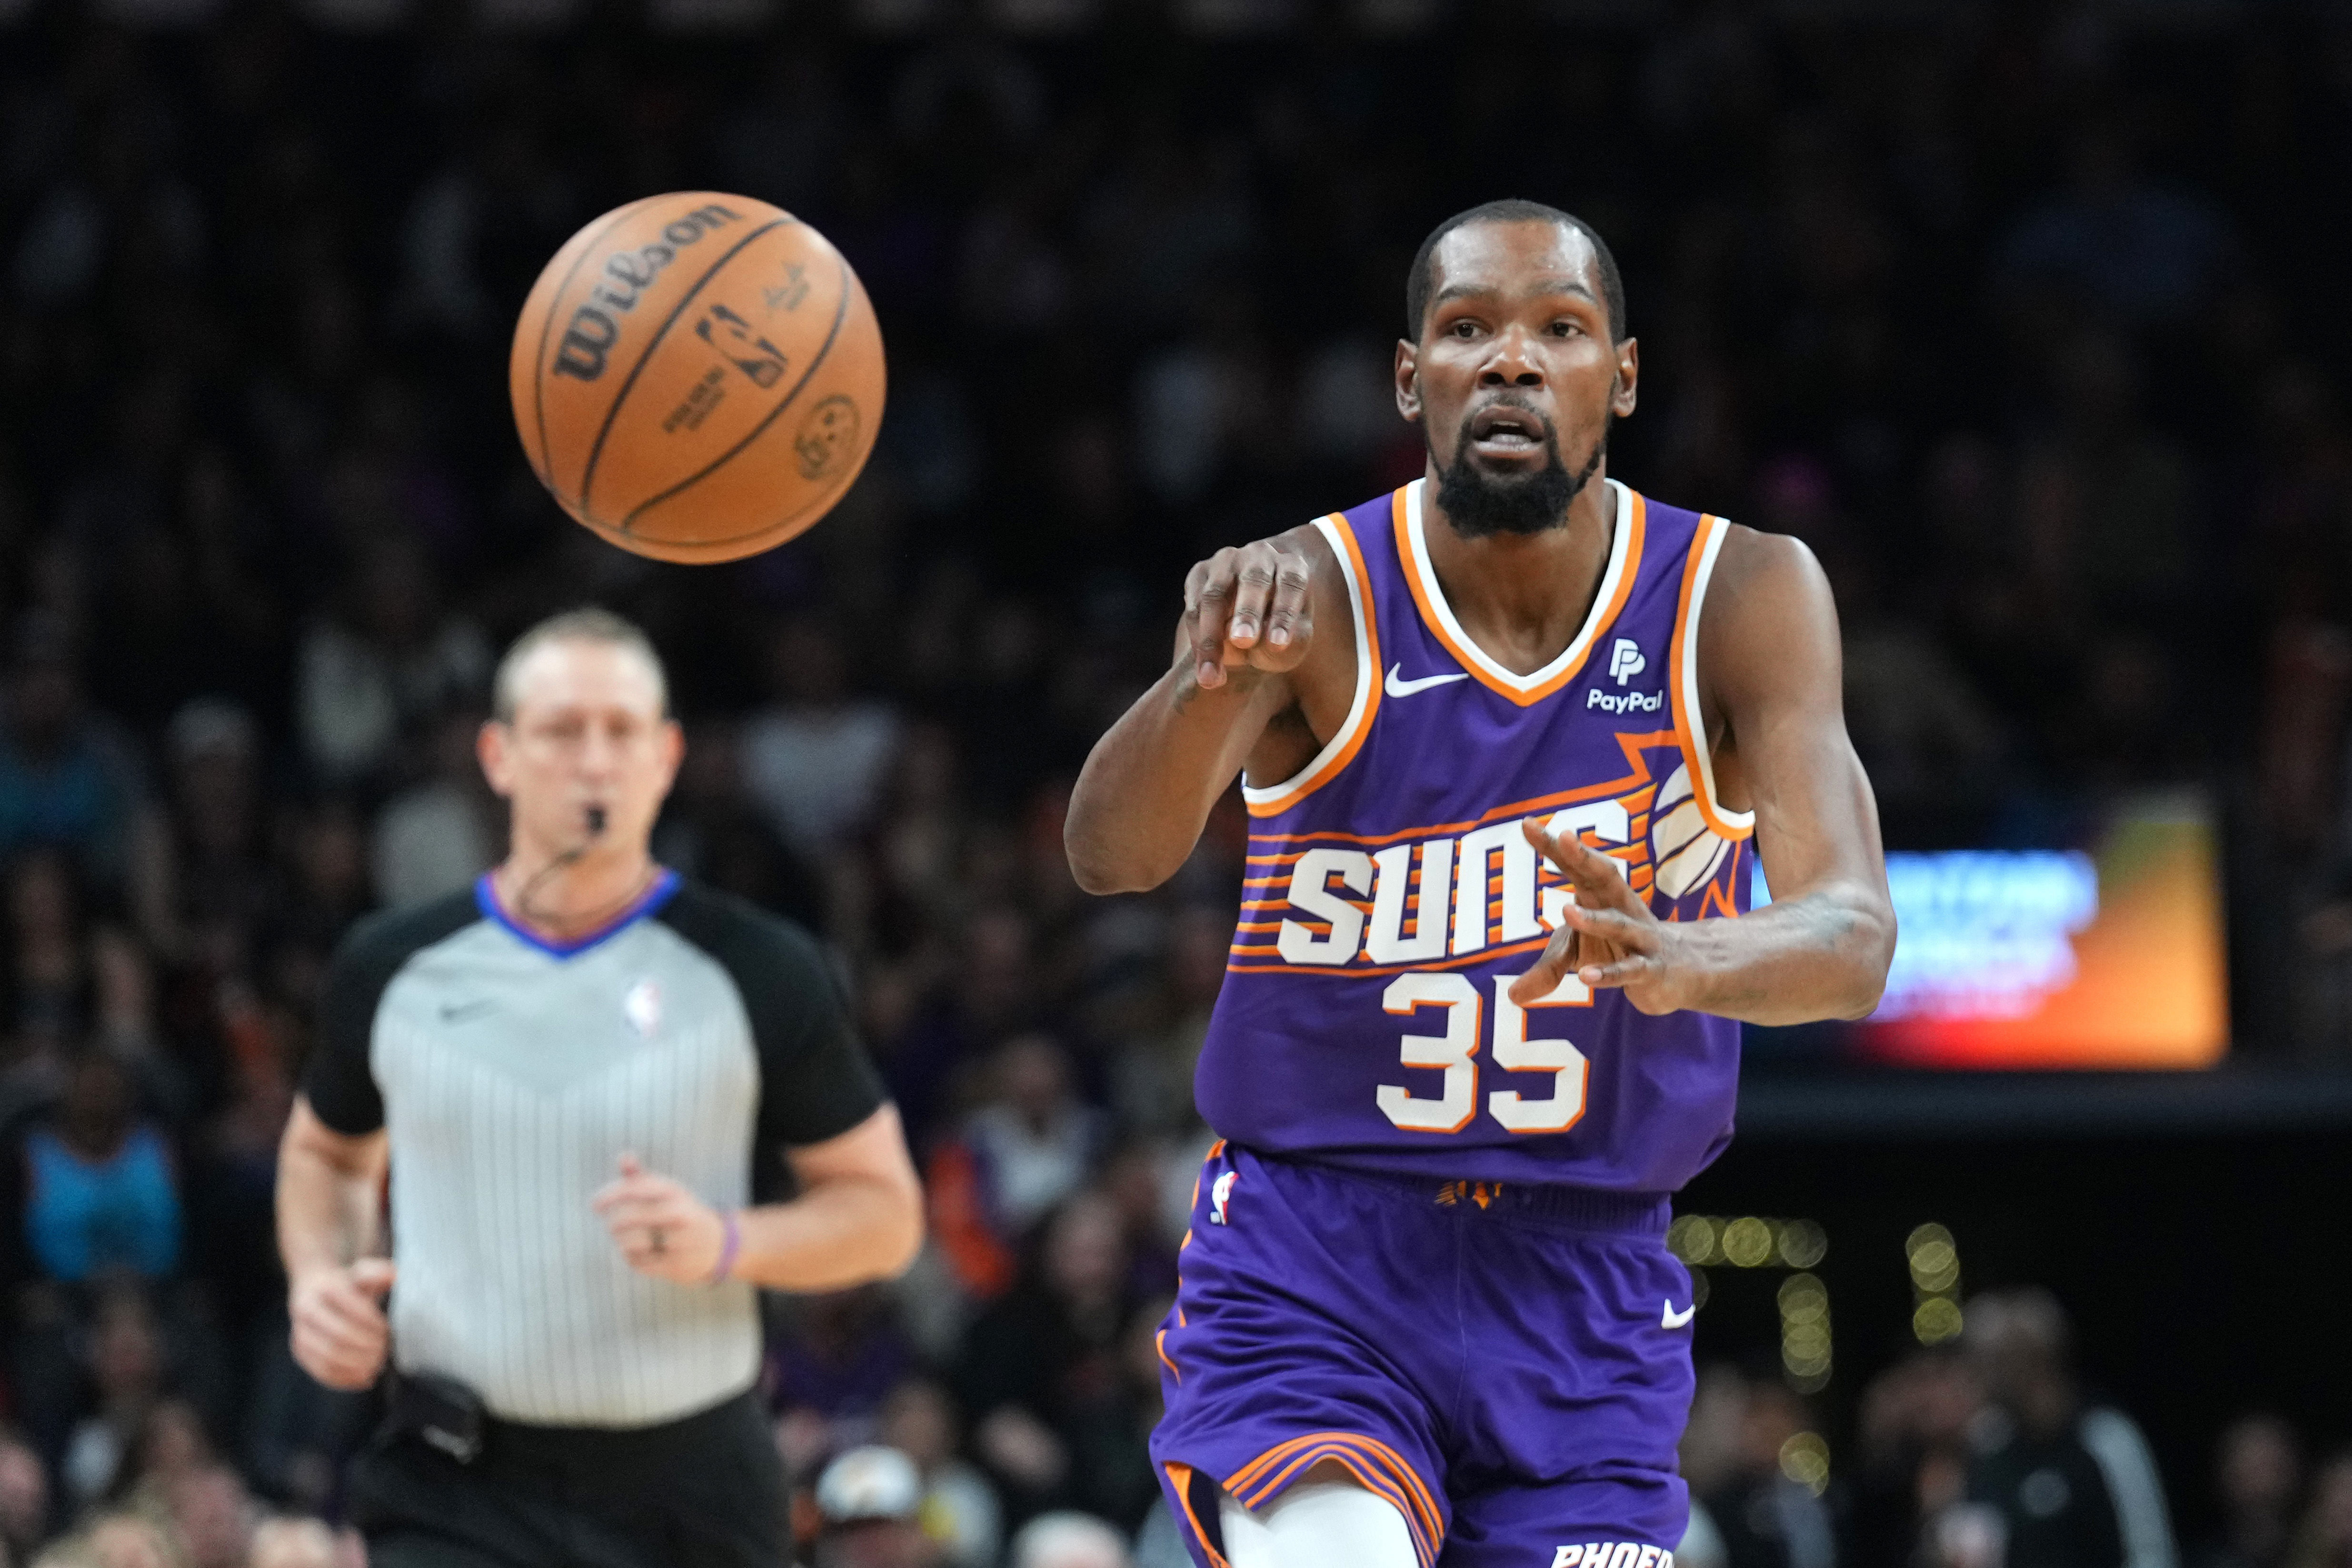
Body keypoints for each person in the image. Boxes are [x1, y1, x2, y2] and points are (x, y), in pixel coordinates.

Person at [1065, 200, 1896, 1568]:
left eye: (1558, 330)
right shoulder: (1311, 594)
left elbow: (1854, 938)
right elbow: (1112, 856)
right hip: (1316, 1264)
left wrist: (1681, 959)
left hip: (1588, 1289)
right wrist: (1198, 673)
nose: (1510, 361)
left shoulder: (1739, 590)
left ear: (1618, 377)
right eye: (1467, 331)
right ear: (1413, 378)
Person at [273, 608, 925, 1568]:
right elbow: (326, 1152)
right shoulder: (393, 965)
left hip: (691, 1483)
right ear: (498, 755)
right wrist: (318, 1275)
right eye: (561, 729)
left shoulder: (759, 966)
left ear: (666, 757)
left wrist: (729, 1241)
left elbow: (885, 1214)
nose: (593, 760)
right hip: (456, 1480)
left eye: (621, 731)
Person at [1960, 1288, 2175, 1568]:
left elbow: (2150, 1551)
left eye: (1991, 1363)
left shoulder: (2106, 1435)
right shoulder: (1990, 1446)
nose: (1980, 1377)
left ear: (2029, 1360)